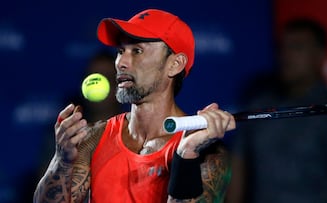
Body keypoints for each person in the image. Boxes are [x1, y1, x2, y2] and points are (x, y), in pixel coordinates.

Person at [33, 8, 236, 203]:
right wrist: (62, 160)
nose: (121, 62)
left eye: (137, 51)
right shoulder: (94, 137)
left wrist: (186, 154)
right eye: (121, 51)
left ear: (175, 64)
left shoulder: (209, 154)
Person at [226, 18, 327, 203]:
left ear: (320, 55)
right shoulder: (258, 104)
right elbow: (238, 163)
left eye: (297, 47)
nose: (286, 55)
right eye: (283, 47)